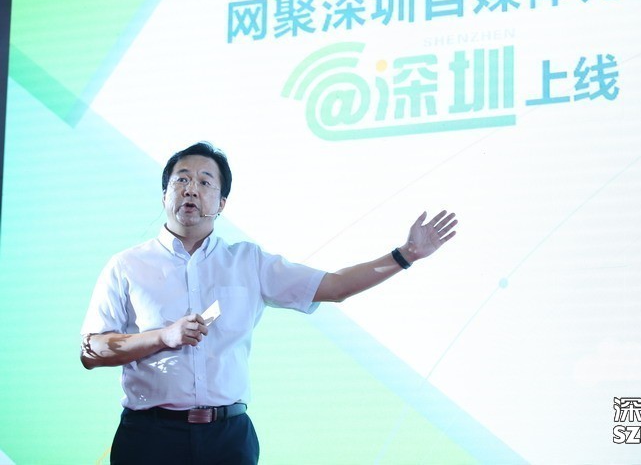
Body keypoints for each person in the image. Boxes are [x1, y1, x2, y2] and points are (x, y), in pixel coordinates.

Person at [80, 142, 457, 465]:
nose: (191, 189)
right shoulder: (127, 265)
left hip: (227, 438)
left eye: (205, 181)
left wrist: (405, 255)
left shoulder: (248, 262)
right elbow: (91, 351)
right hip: (150, 437)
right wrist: (163, 337)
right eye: (181, 179)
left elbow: (335, 286)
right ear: (165, 195)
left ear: (221, 202)